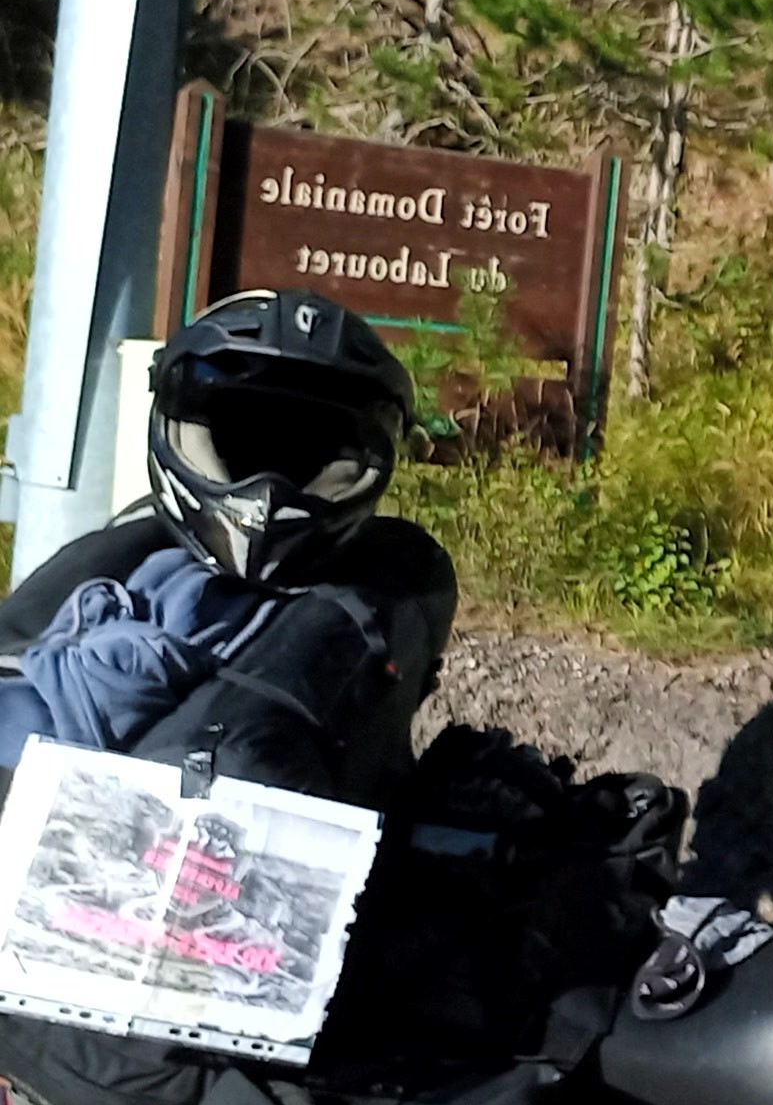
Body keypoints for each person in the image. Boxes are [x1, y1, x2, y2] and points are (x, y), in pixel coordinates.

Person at [0, 288, 454, 805]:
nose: (267, 489)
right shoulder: (136, 555)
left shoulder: (129, 554)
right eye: (246, 436)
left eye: (305, 447)